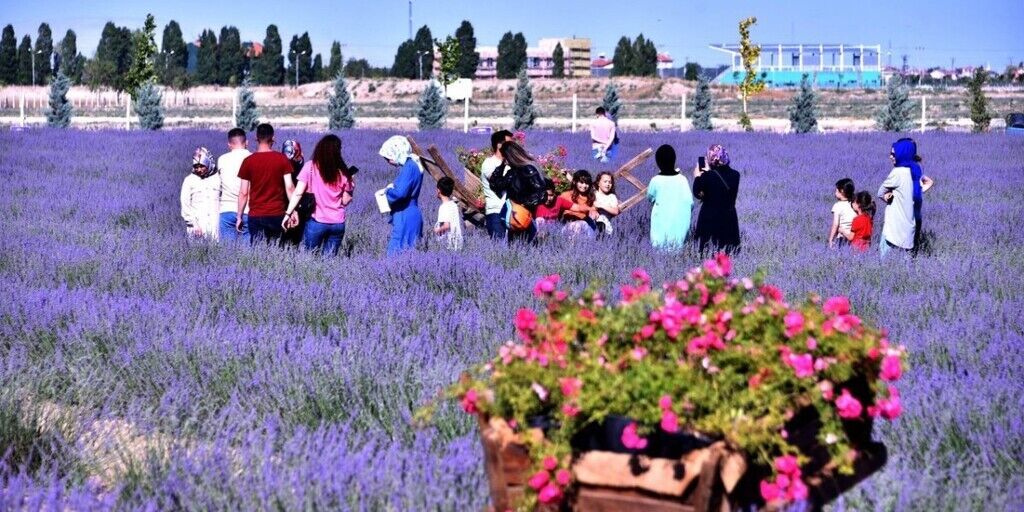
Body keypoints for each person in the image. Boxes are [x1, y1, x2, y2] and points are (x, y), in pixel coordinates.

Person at [282, 134, 355, 256]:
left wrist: (288, 213)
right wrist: (351, 183)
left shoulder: (310, 166)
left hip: (317, 221)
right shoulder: (343, 171)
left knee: (309, 259)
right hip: (337, 223)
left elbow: (298, 193)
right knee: (330, 262)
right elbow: (345, 201)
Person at [237, 123, 295, 245]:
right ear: (273, 138)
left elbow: (243, 192)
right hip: (277, 213)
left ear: (256, 138)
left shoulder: (248, 161)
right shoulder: (282, 159)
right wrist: (293, 212)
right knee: (277, 251)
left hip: (256, 215)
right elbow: (290, 188)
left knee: (258, 252)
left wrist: (239, 216)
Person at [878, 138, 934, 257]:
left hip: (895, 224)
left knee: (885, 257)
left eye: (894, 154)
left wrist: (888, 197)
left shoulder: (898, 172)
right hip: (912, 222)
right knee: (909, 258)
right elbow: (928, 182)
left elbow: (880, 192)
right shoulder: (916, 170)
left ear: (901, 153)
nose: (891, 156)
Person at [489, 141, 547, 245]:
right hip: (513, 217)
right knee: (514, 247)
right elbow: (495, 185)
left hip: (525, 216)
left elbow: (542, 194)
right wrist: (501, 165)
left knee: (529, 246)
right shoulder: (512, 172)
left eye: (504, 156)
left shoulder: (528, 169)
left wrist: (523, 204)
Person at [693, 144, 741, 254]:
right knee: (729, 252)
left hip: (709, 219)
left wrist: (697, 176)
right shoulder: (736, 175)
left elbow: (697, 193)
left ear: (711, 158)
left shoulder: (707, 176)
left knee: (706, 252)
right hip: (729, 219)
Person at [380, 135, 424, 255]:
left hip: (405, 215)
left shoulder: (409, 167)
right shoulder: (413, 164)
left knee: (395, 255)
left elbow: (400, 193)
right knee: (409, 255)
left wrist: (387, 191)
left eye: (388, 157)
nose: (388, 161)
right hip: (410, 213)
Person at [646, 145, 694, 250]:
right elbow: (690, 202)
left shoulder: (655, 180)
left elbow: (650, 197)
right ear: (674, 160)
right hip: (679, 225)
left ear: (658, 163)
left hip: (661, 223)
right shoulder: (682, 179)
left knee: (659, 248)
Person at [217, 128, 252, 243]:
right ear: (246, 143)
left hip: (226, 209)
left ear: (229, 145)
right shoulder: (253, 158)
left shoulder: (222, 159)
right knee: (248, 254)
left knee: (227, 253)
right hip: (248, 210)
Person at [180, 147, 221, 240]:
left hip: (216, 226)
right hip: (197, 227)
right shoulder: (189, 180)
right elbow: (185, 204)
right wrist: (194, 224)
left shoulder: (218, 178)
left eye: (202, 166)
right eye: (196, 167)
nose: (199, 169)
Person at [481, 129, 514, 240]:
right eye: (509, 143)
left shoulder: (511, 163)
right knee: (499, 246)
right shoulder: (489, 163)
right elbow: (497, 183)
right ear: (499, 145)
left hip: (512, 211)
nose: (512, 147)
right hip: (496, 211)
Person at [282, 139, 313, 247]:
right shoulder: (300, 164)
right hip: (294, 202)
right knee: (295, 236)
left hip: (293, 202)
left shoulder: (297, 164)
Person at [559, 170, 600, 236]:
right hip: (568, 225)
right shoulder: (566, 195)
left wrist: (594, 213)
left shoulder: (590, 197)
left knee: (582, 224)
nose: (584, 186)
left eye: (587, 183)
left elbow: (593, 210)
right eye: (581, 182)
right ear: (575, 182)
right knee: (578, 225)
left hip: (584, 225)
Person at [433, 177, 464, 251]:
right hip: (457, 241)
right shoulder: (453, 204)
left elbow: (446, 225)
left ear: (439, 190)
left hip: (448, 243)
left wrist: (437, 230)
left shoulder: (444, 207)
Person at [829, 178, 857, 248]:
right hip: (854, 235)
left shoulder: (837, 206)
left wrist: (831, 238)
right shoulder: (855, 204)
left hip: (842, 237)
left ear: (841, 191)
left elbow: (835, 224)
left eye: (836, 190)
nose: (835, 193)